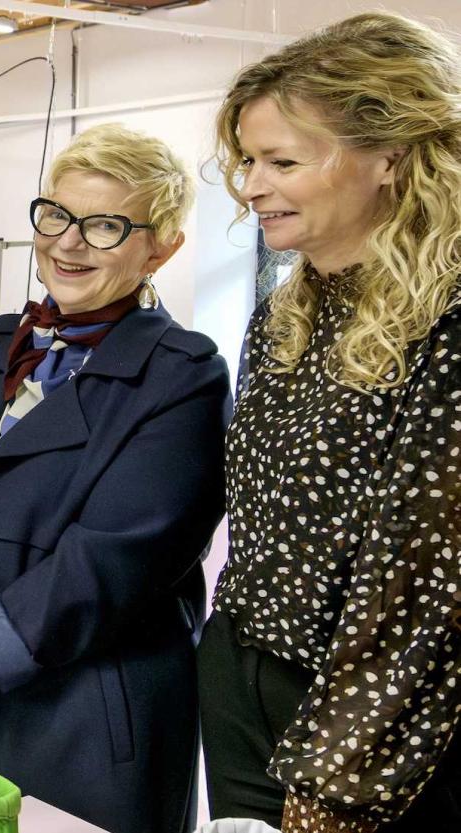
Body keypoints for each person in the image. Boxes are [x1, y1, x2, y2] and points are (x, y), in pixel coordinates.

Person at [0, 123, 227, 833]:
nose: (67, 242)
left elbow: (102, 567)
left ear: (163, 246)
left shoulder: (182, 375)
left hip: (72, 726)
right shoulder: (6, 342)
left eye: (106, 224)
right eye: (55, 214)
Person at [203, 11, 461, 831]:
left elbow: (424, 589)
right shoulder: (285, 316)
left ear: (391, 157)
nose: (251, 186)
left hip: (375, 716)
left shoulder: (445, 324)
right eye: (249, 160)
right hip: (245, 671)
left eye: (283, 161)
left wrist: (335, 776)